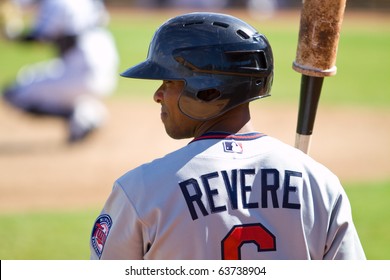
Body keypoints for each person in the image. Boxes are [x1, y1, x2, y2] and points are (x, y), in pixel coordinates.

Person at [90, 12, 366, 260]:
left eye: (169, 82)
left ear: (207, 91)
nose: (157, 95)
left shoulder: (142, 190)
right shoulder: (318, 184)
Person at [2, 0, 119, 142]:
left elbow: (40, 37)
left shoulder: (56, 3)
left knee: (13, 93)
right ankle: (88, 110)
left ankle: (81, 117)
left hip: (81, 73)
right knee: (58, 73)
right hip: (107, 69)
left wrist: (11, 35)